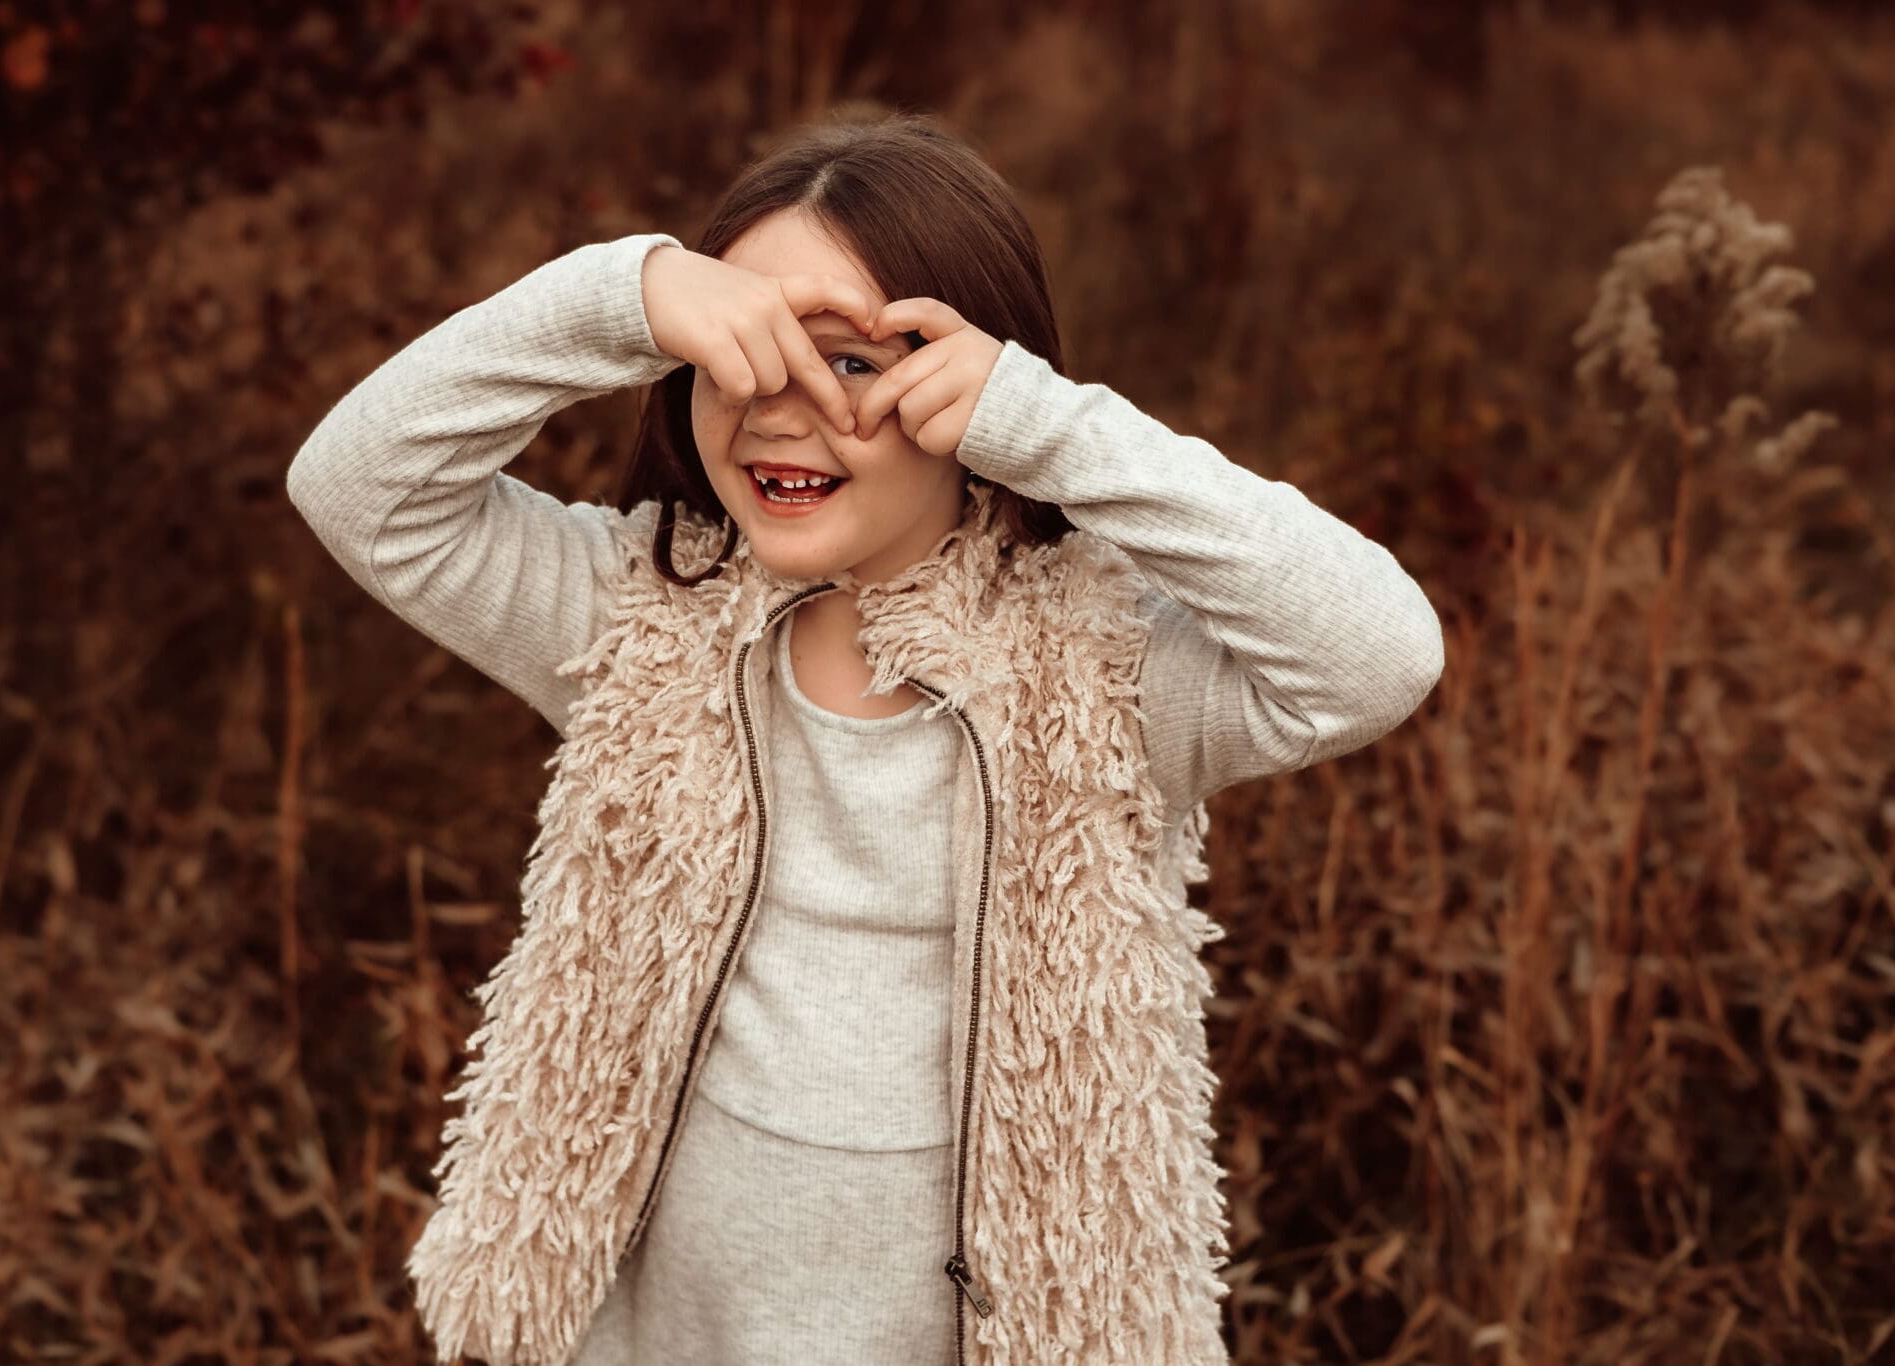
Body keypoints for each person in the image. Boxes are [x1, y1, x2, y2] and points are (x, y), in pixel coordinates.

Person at [286, 110, 1445, 1366]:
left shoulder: (1105, 679)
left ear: (971, 394)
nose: (777, 409)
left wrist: (1049, 429)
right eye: (738, 353)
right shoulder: (634, 619)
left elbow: (1374, 653)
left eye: (848, 362)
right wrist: (622, 293)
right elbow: (358, 485)